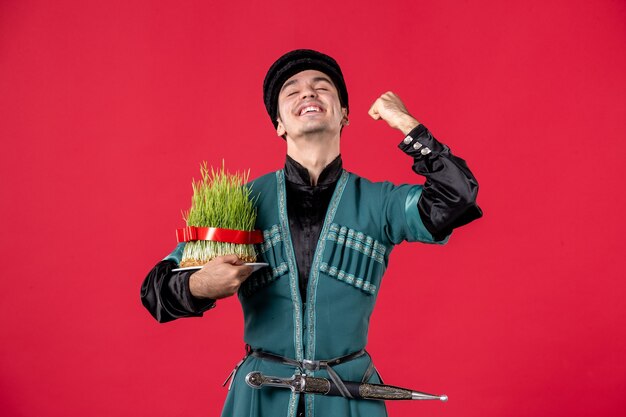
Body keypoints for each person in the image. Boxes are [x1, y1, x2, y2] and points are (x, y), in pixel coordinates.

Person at [141, 49, 482, 417]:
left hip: (350, 398)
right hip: (258, 399)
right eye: (293, 90)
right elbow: (154, 292)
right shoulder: (239, 204)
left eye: (322, 88)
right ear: (279, 124)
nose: (308, 94)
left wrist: (407, 125)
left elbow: (457, 199)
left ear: (344, 116)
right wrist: (199, 285)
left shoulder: (380, 203)